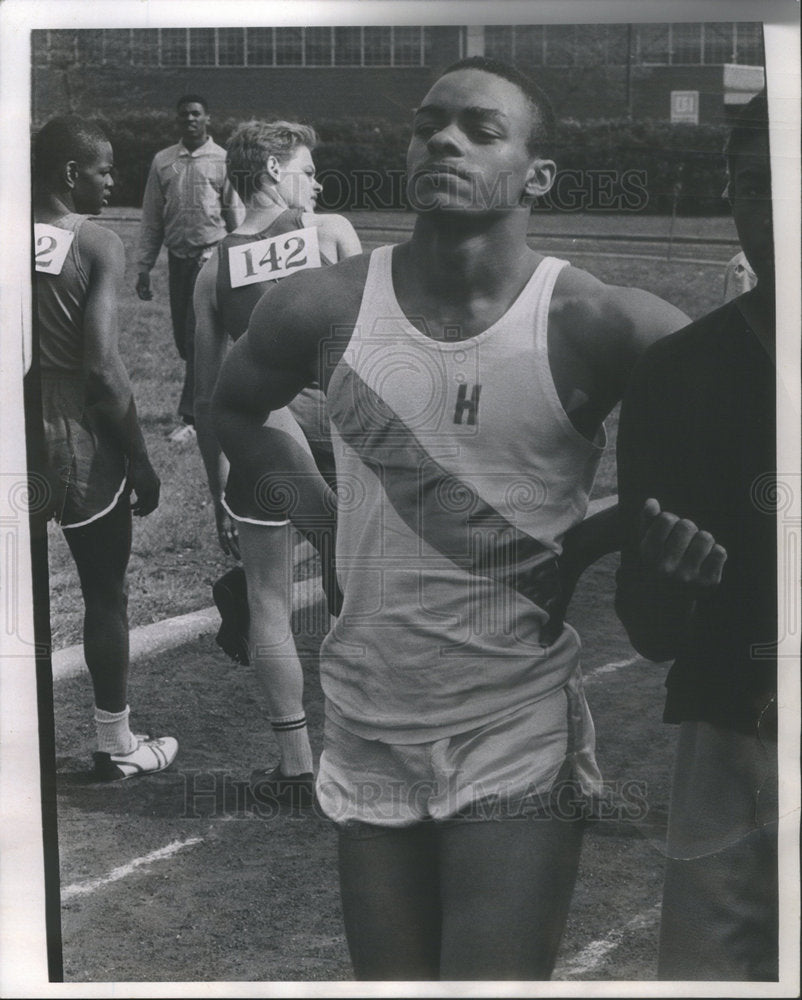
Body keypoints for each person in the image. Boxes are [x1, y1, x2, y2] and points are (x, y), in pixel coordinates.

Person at [212, 56, 690, 980]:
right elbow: (234, 408)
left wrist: (592, 540)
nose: (443, 139)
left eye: (481, 128)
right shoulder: (328, 304)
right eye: (429, 123)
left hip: (512, 717)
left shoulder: (595, 319)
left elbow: (754, 422)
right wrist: (320, 518)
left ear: (536, 175)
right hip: (367, 709)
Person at [615, 91, 778, 980]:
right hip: (730, 742)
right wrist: (672, 580)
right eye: (754, 186)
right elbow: (647, 629)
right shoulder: (678, 373)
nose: (775, 212)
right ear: (729, 194)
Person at [193, 120, 361, 803]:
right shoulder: (331, 234)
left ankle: (296, 761)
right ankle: (363, 742)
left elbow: (208, 398)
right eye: (306, 169)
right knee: (355, 578)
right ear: (269, 171)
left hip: (263, 430)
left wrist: (215, 488)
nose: (316, 182)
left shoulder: (212, 269)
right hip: (345, 423)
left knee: (269, 597)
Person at [32, 116, 178, 780]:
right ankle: (116, 744)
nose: (113, 180)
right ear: (70, 172)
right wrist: (142, 460)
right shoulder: (94, 241)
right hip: (75, 436)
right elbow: (102, 370)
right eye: (104, 169)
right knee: (103, 592)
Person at [136, 94, 244, 443]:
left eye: (196, 114)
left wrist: (241, 262)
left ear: (207, 118)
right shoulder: (164, 161)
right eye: (184, 115)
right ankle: (220, 401)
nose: (190, 120)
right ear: (177, 120)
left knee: (200, 339)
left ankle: (194, 419)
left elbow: (236, 216)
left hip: (210, 258)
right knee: (185, 343)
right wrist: (144, 267)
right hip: (178, 260)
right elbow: (152, 217)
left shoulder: (223, 160)